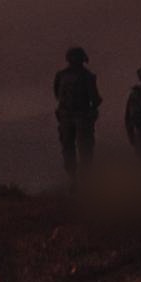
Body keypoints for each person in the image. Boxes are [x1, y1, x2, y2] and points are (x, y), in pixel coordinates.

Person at [53, 46, 101, 183]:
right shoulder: (86, 76)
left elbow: (57, 94)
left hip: (72, 115)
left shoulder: (64, 76)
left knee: (73, 148)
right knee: (80, 148)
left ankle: (76, 178)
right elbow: (95, 99)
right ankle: (78, 178)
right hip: (77, 116)